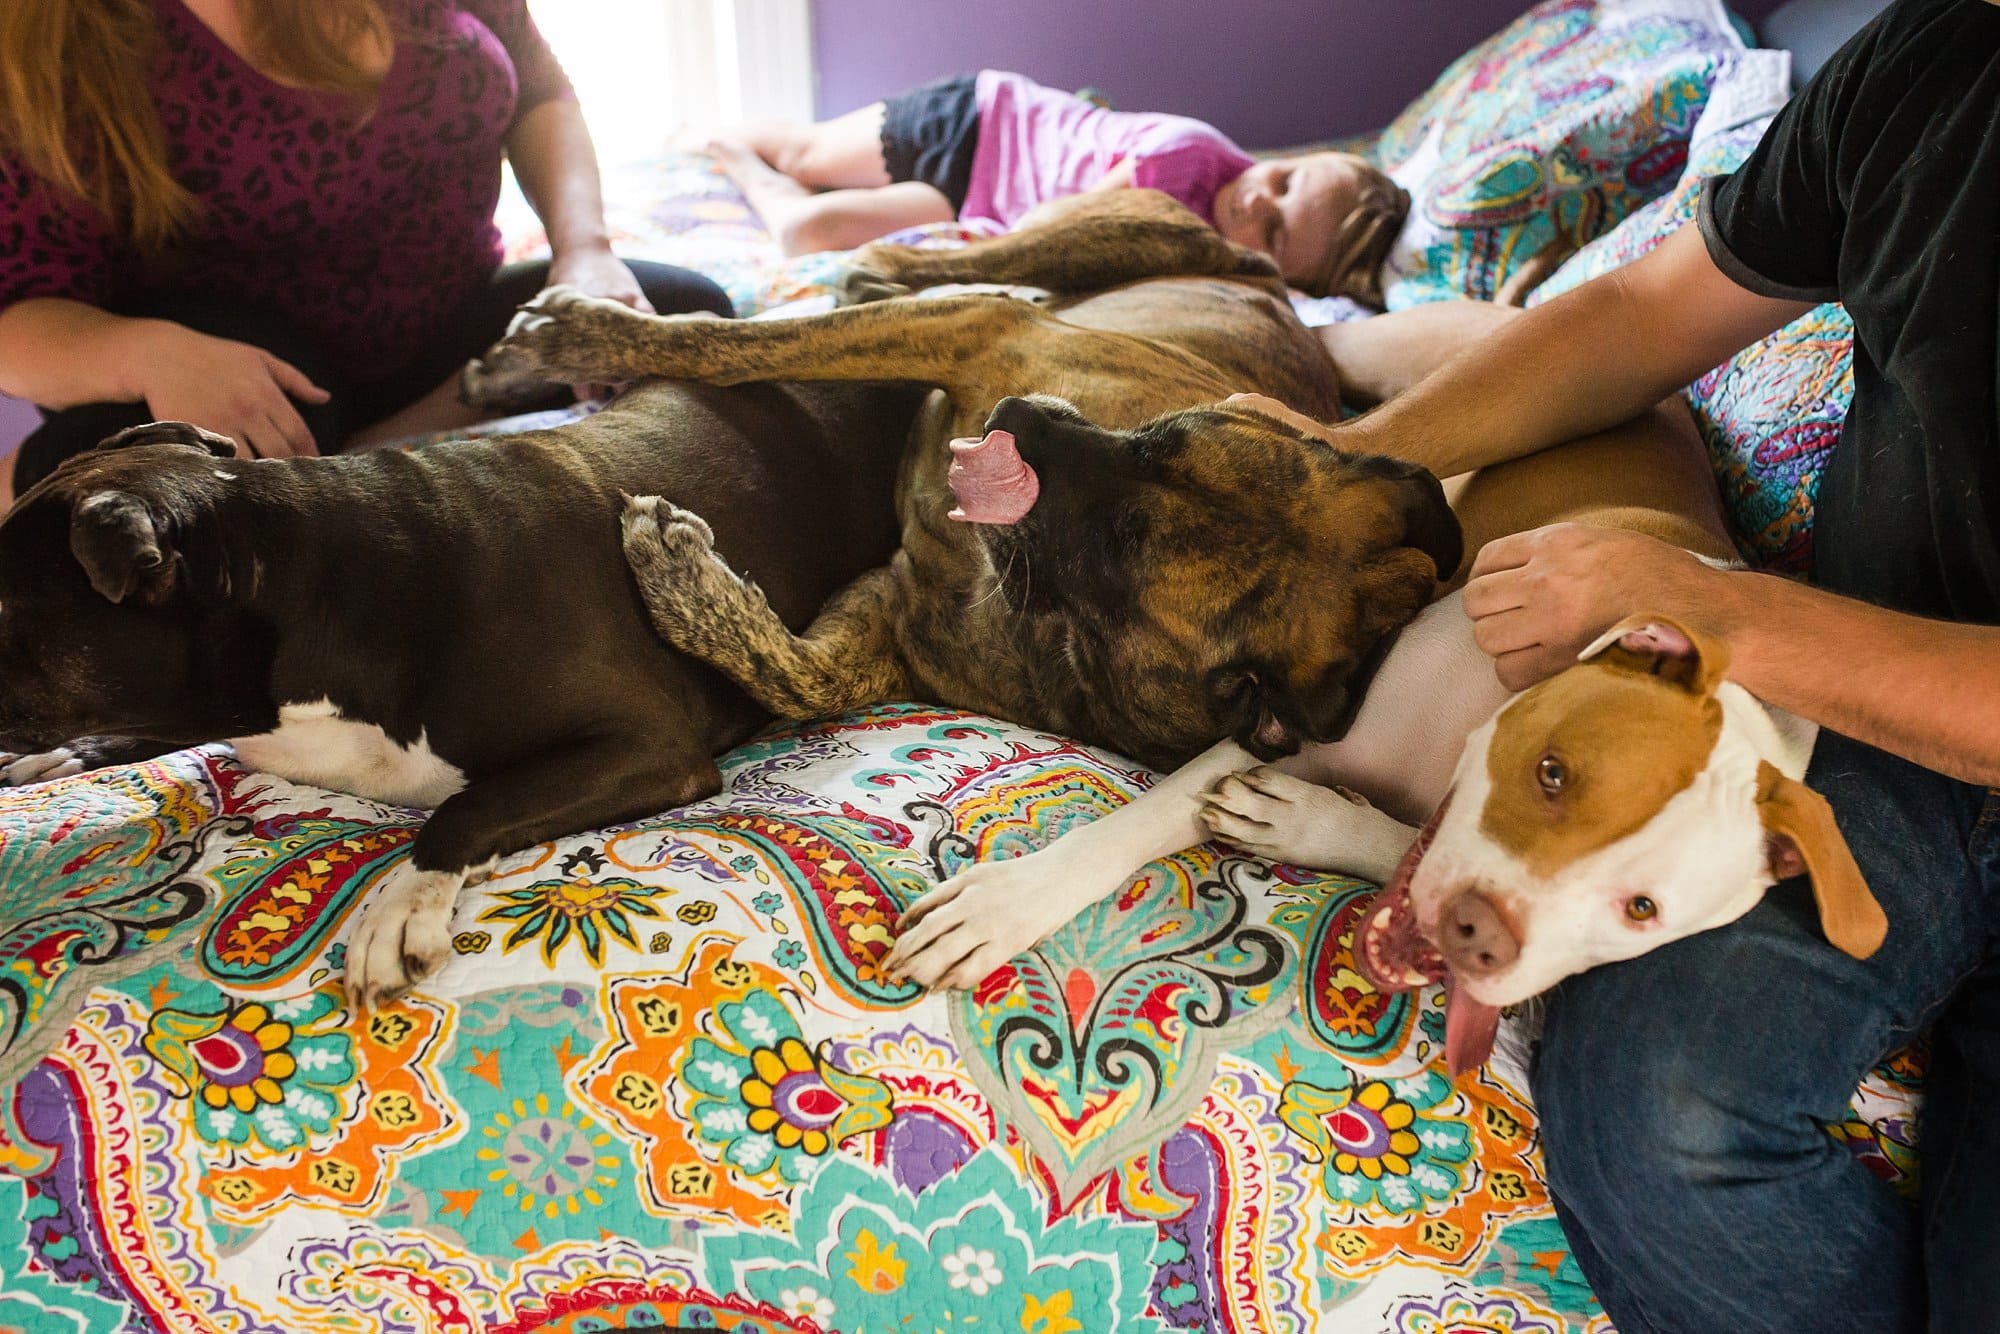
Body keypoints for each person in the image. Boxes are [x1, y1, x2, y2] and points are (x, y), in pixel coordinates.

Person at [1298, 0, 1999, 1327]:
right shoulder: (1934, 57)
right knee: (1659, 1105)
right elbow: (1636, 315)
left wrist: (1709, 609)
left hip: (1884, 685)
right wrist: (1341, 469)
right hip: (1875, 735)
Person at [0, 0, 735, 500]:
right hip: (235, 380)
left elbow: (541, 90)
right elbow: (17, 314)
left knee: (679, 321)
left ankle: (365, 454)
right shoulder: (60, 38)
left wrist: (586, 253)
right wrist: (153, 355)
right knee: (206, 453)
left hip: (445, 349)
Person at [706, 70, 1408, 304]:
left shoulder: (1224, 275)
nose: (1259, 199)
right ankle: (725, 145)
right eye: (1283, 180)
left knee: (807, 232)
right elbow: (1054, 226)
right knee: (804, 153)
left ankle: (747, 171)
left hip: (978, 206)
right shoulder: (1185, 160)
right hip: (982, 127)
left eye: (1277, 231)